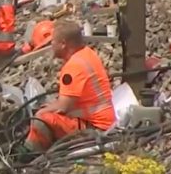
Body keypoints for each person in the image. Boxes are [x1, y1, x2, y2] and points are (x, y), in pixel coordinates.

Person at [19, 20, 115, 160]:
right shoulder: (87, 54)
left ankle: (27, 158)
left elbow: (64, 106)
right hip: (104, 122)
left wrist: (41, 112)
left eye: (53, 41)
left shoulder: (73, 67)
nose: (51, 45)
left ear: (63, 44)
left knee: (42, 118)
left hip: (95, 128)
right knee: (48, 109)